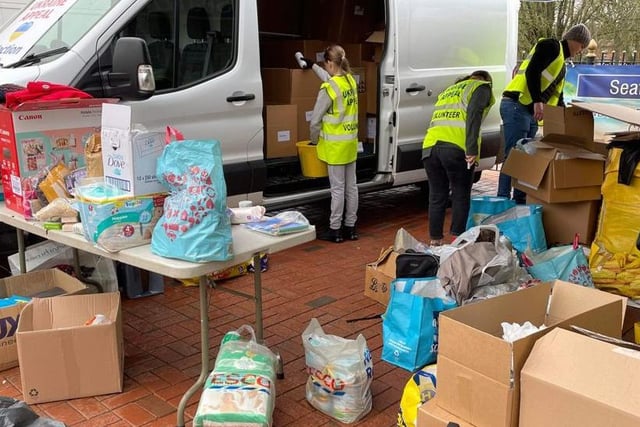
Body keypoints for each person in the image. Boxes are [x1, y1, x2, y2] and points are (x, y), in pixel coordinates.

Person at [498, 23, 592, 204]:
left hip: (529, 111)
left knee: (525, 156)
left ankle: (518, 199)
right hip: (517, 104)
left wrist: (569, 117)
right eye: (582, 46)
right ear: (575, 40)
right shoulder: (551, 46)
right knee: (514, 154)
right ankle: (502, 200)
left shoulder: (562, 66)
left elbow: (558, 98)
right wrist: (538, 101)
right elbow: (532, 71)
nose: (581, 51)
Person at [422, 70, 495, 246]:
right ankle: (458, 241)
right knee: (460, 194)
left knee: (437, 195)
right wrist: (471, 149)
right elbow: (474, 115)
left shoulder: (451, 90)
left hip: (430, 147)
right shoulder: (481, 87)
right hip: (456, 148)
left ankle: (435, 241)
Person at [296, 45, 359, 243]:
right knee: (352, 187)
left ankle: (334, 230)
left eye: (326, 64)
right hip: (350, 144)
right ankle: (351, 228)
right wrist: (313, 65)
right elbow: (330, 78)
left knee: (338, 189)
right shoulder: (350, 81)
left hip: (334, 147)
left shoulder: (329, 88)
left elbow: (315, 120)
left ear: (331, 63)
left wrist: (314, 141)